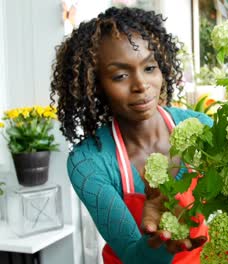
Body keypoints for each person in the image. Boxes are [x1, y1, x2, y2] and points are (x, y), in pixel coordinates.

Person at [50, 7, 211, 264]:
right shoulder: (89, 163)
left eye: (149, 68)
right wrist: (157, 242)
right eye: (120, 75)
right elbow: (134, 257)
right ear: (95, 85)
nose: (141, 86)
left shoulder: (201, 128)